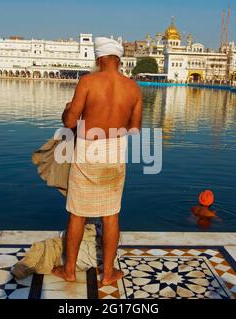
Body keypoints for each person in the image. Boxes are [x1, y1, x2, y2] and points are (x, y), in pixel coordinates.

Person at [52, 37, 142, 286]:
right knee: (111, 215)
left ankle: (69, 270)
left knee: (77, 215)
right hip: (115, 152)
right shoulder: (133, 88)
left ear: (100, 59)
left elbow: (69, 122)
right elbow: (135, 128)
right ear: (118, 59)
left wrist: (68, 109)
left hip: (88, 151)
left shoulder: (88, 82)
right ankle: (108, 273)